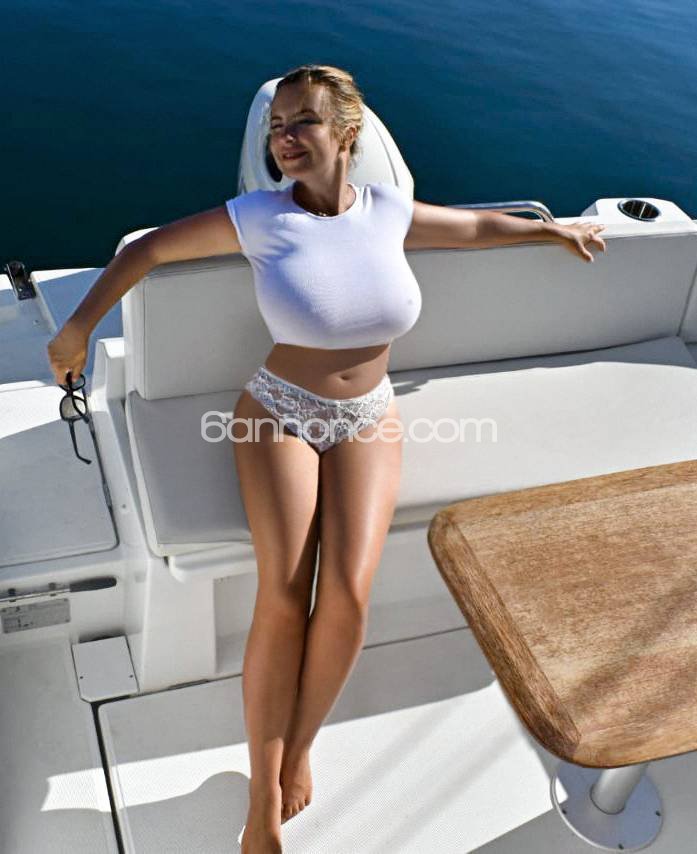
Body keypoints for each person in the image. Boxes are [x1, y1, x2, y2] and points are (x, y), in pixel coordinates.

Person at [47, 63, 606, 853]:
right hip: (278, 411)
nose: (284, 139)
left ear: (347, 134)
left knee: (347, 594)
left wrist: (551, 230)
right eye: (277, 126)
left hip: (370, 414)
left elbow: (477, 228)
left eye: (302, 122)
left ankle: (300, 747)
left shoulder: (386, 211)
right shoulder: (258, 217)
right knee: (284, 593)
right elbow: (146, 253)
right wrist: (76, 329)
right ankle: (261, 799)